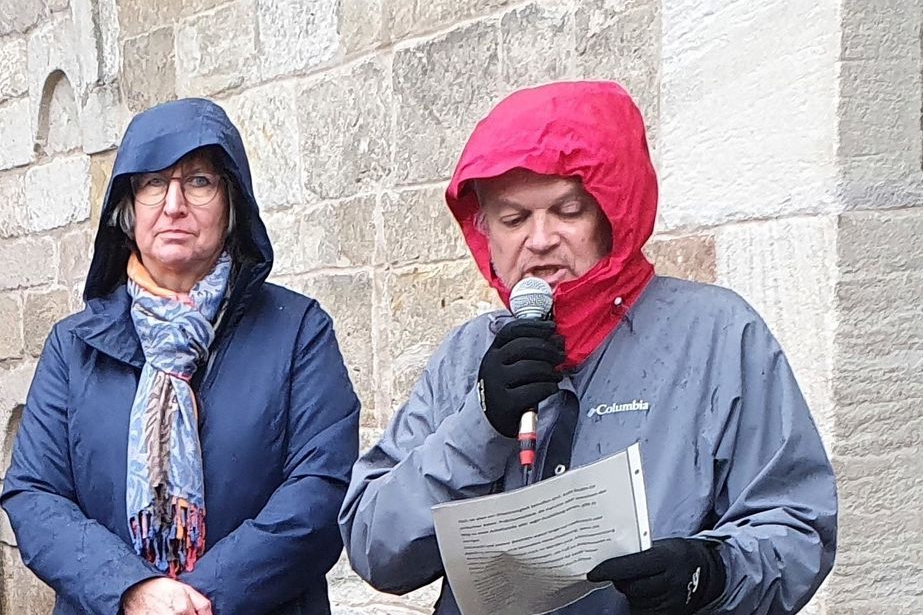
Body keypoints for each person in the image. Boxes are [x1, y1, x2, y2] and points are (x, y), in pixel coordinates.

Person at [338, 81, 837, 614]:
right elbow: (375, 547)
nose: (540, 239)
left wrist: (711, 572)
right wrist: (478, 428)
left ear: (611, 215)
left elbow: (796, 524)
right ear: (486, 232)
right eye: (513, 219)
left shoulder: (717, 334)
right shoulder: (467, 353)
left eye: (567, 211)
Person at [1, 98, 360, 615]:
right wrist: (132, 591)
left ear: (232, 204)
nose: (173, 204)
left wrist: (195, 601)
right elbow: (34, 494)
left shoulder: (297, 331)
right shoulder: (73, 347)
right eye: (152, 183)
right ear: (127, 210)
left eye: (199, 182)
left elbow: (322, 488)